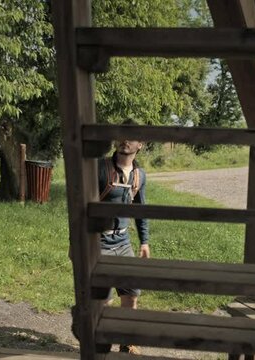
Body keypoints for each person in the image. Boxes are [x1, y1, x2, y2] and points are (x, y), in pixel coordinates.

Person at [97, 134, 149, 354]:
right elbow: (80, 207)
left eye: (132, 137)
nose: (125, 140)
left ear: (141, 145)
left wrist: (144, 241)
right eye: (121, 135)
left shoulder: (139, 175)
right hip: (98, 242)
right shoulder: (100, 169)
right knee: (103, 300)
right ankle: (102, 344)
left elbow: (141, 210)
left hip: (124, 241)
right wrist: (76, 243)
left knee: (131, 294)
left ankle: (126, 344)